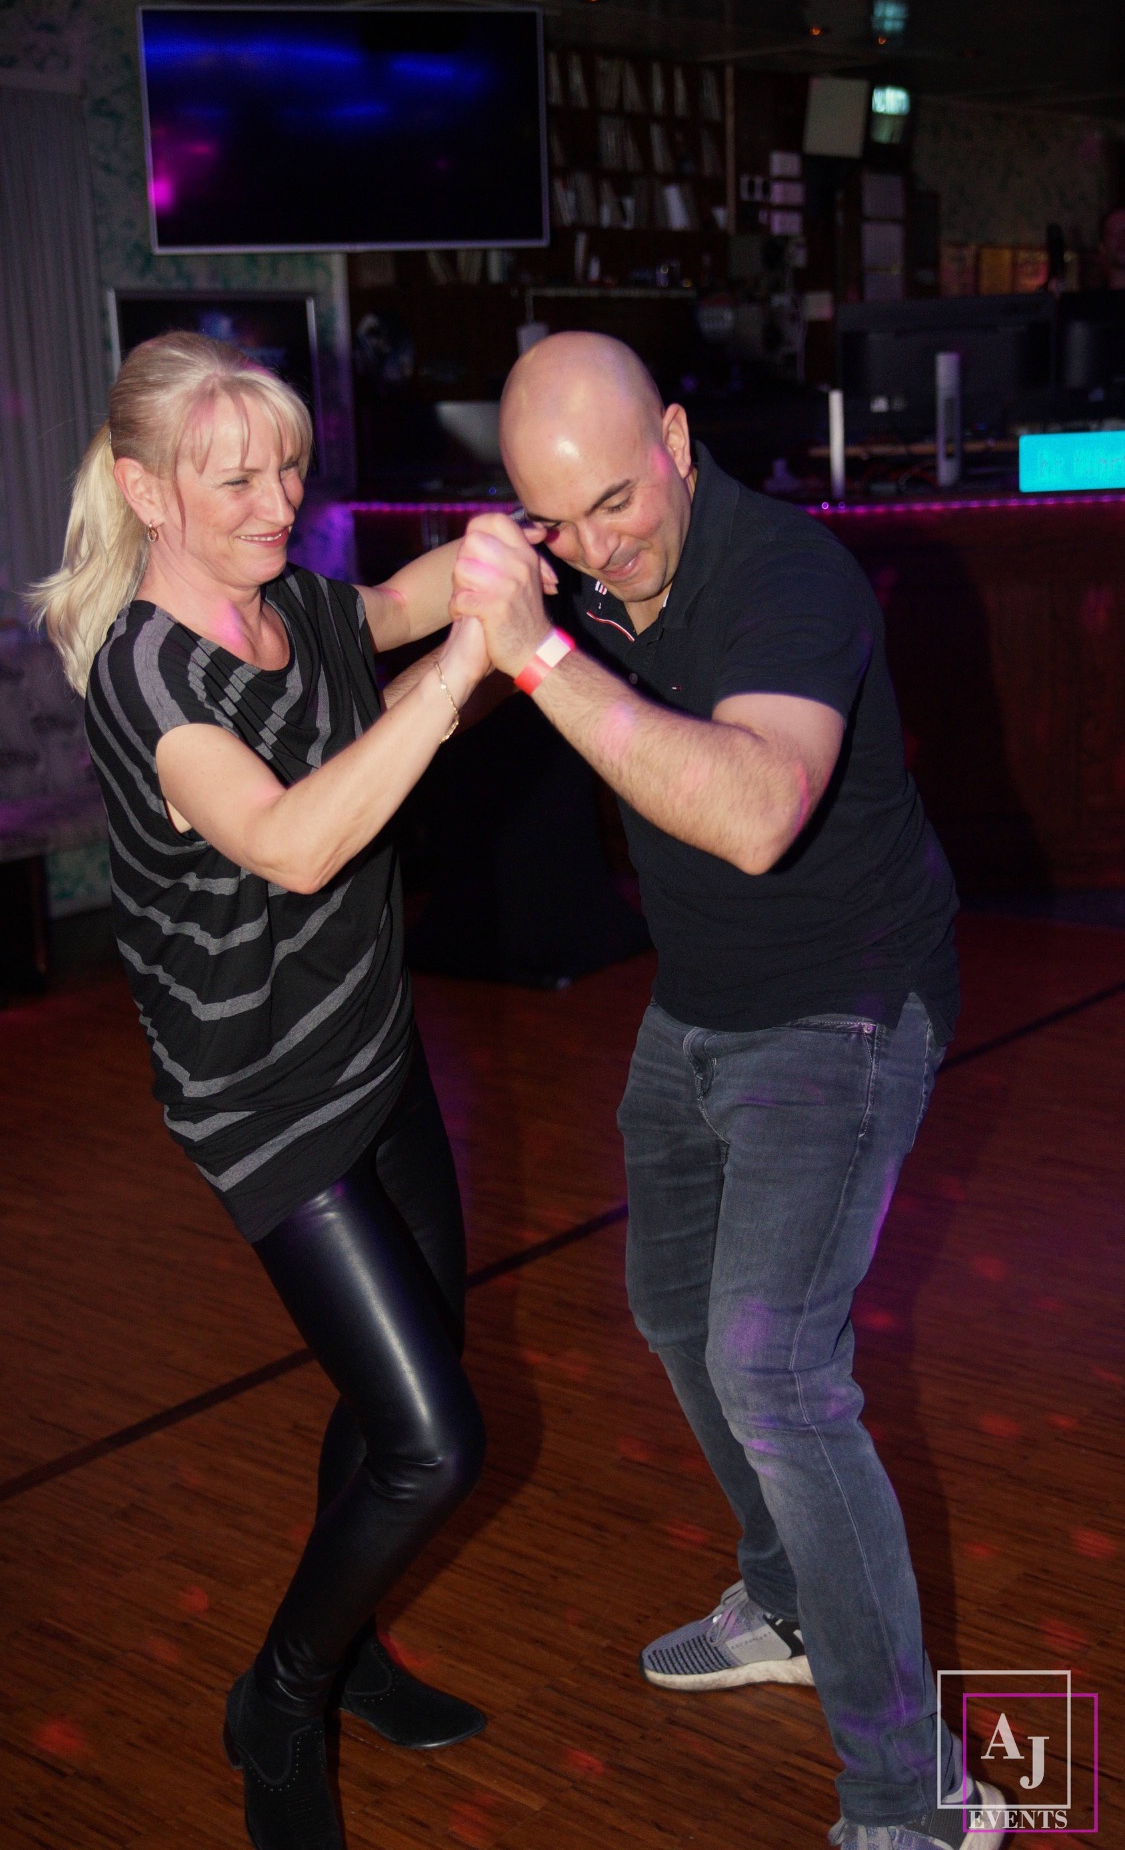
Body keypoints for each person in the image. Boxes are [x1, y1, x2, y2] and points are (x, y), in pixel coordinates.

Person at [448, 331, 1007, 1850]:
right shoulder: (569, 565)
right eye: (558, 520)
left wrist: (538, 652)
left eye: (620, 501)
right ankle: (788, 1601)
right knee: (674, 1315)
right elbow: (430, 619)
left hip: (845, 1004)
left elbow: (757, 811)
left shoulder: (790, 579)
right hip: (696, 1005)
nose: (600, 547)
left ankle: (919, 1798)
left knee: (773, 1366)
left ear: (679, 442)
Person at [30, 332, 540, 1850]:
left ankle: (351, 1651)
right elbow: (294, 844)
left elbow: (389, 602)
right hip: (260, 1097)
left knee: (399, 1393)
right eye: (237, 480)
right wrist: (457, 679)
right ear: (146, 491)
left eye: (291, 470)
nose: (279, 504)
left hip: (372, 1045)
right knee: (434, 1442)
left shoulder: (292, 605)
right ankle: (281, 1699)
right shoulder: (146, 672)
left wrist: (507, 549)